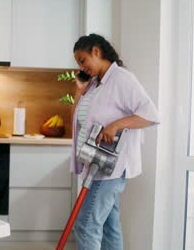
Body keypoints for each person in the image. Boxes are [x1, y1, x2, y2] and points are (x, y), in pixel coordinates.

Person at [70, 33, 159, 250]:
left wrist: (116, 125)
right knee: (110, 228)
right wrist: (80, 89)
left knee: (85, 224)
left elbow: (150, 115)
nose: (82, 67)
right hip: (94, 165)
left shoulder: (122, 78)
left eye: (83, 60)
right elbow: (76, 118)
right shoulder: (95, 84)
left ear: (96, 52)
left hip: (110, 168)